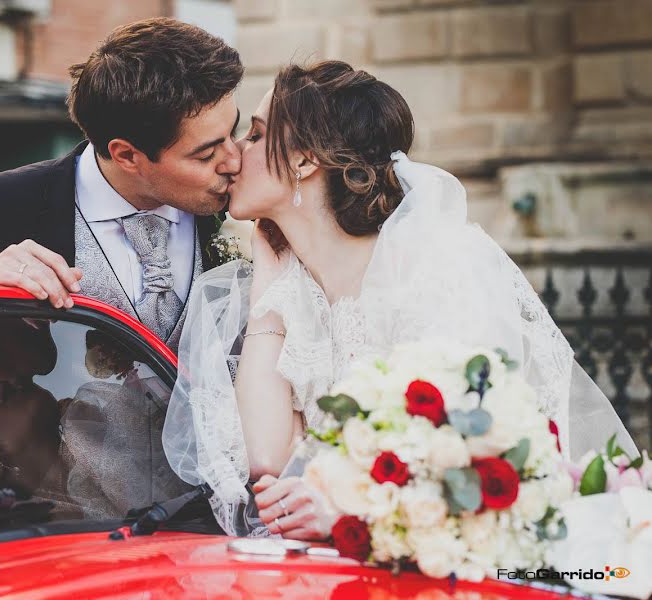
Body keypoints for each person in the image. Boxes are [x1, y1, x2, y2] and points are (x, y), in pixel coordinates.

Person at [162, 60, 637, 540]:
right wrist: (267, 279)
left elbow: (480, 453)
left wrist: (352, 512)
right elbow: (267, 459)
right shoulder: (290, 289)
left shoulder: (433, 268)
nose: (237, 153)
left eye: (256, 134)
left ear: (305, 161)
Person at [0, 18, 243, 352]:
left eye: (234, 132)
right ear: (126, 155)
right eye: (206, 154)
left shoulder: (248, 205)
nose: (234, 160)